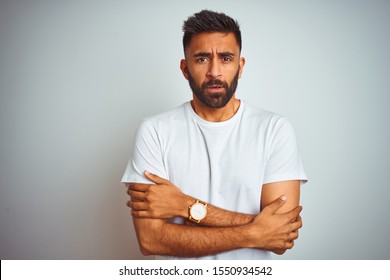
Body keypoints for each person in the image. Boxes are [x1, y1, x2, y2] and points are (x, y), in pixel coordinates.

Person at [121, 10, 307, 260]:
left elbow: (281, 238)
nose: (215, 71)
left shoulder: (274, 129)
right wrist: (255, 232)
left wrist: (186, 206)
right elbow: (151, 240)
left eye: (226, 58)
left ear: (240, 67)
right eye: (202, 59)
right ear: (185, 69)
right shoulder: (155, 131)